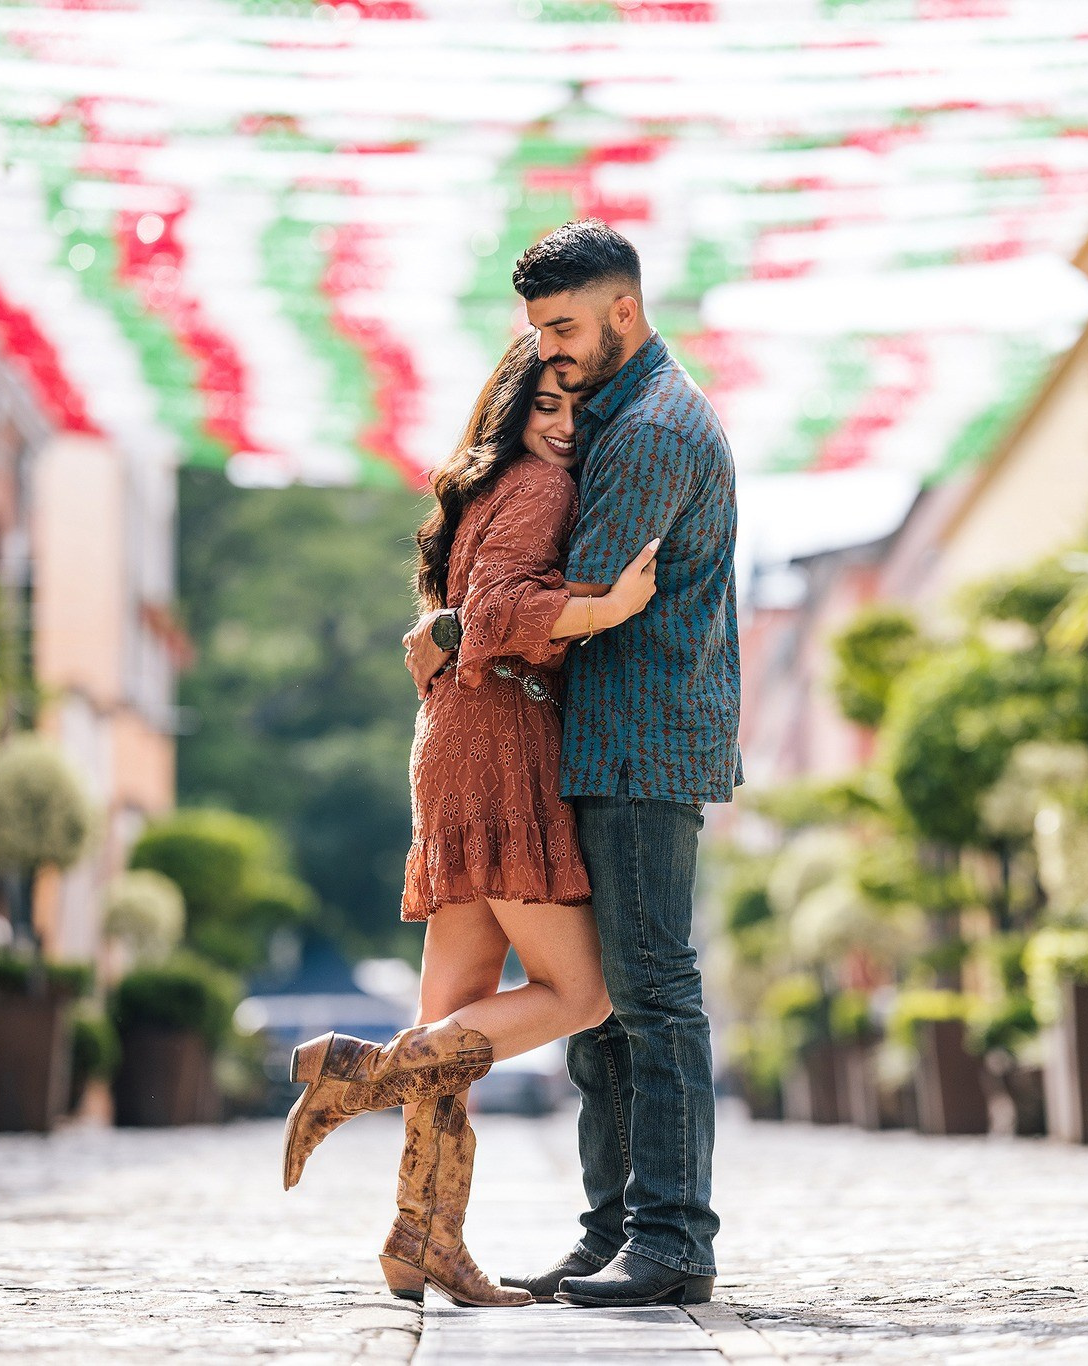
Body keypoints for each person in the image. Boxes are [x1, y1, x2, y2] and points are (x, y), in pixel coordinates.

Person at [280, 332, 660, 1309]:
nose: (566, 424)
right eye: (547, 403)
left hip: (449, 742)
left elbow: (456, 623)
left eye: (581, 406)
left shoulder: (481, 488)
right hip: (502, 748)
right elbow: (495, 614)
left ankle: (421, 1238)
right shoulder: (538, 486)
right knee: (581, 992)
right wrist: (610, 606)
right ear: (513, 407)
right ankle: (358, 1075)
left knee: (455, 1018)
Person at [404, 219, 741, 1309]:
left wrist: (463, 627)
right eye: (537, 334)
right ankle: (609, 1234)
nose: (549, 350)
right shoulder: (612, 416)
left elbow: (570, 599)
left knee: (646, 997)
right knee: (601, 1021)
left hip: (634, 743)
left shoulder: (642, 432)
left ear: (622, 313)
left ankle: (672, 1237)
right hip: (585, 743)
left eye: (562, 328)